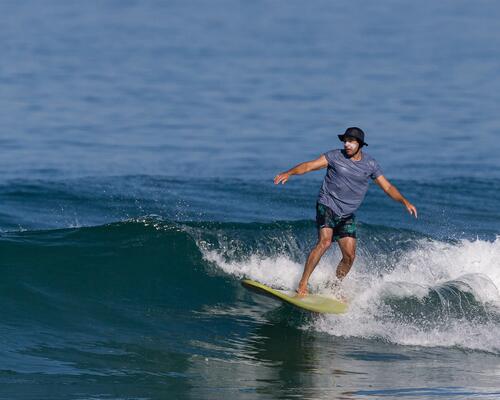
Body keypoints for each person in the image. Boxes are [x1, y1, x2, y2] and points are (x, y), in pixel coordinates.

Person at [274, 127, 417, 296]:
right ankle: (303, 284)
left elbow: (387, 186)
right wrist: (289, 172)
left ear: (360, 144)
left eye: (351, 141)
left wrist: (404, 201)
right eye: (345, 141)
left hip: (347, 214)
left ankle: (335, 287)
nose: (347, 144)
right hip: (327, 205)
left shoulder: (370, 164)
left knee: (349, 256)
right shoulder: (334, 156)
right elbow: (309, 166)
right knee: (325, 242)